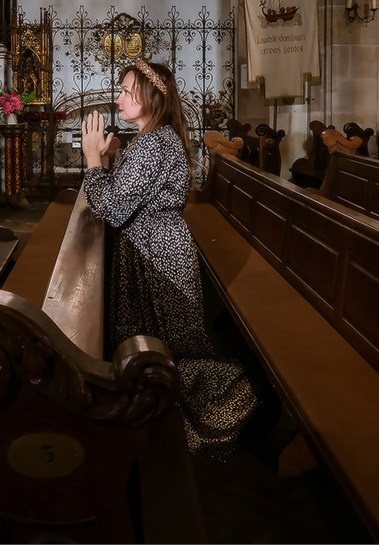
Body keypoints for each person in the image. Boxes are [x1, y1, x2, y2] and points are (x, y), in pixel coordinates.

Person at [80, 58, 259, 458]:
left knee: (170, 350)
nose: (119, 99)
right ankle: (158, 425)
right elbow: (126, 196)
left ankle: (237, 400)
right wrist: (106, 160)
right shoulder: (155, 138)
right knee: (155, 348)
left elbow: (110, 208)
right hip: (155, 248)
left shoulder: (152, 143)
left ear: (152, 97)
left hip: (157, 257)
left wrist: (92, 159)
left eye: (126, 92)